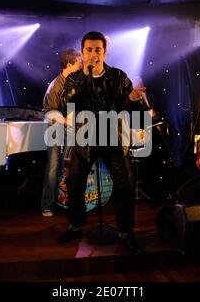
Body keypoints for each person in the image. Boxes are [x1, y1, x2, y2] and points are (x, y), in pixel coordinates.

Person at [57, 31, 147, 254]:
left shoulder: (117, 76)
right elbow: (66, 102)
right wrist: (85, 77)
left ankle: (126, 232)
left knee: (125, 184)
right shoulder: (75, 78)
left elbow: (130, 107)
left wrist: (132, 99)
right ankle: (76, 225)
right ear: (83, 52)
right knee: (75, 183)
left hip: (111, 137)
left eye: (98, 49)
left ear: (104, 52)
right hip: (84, 138)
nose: (93, 53)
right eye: (89, 49)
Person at [41, 48, 82, 217]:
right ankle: (47, 205)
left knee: (69, 167)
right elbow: (50, 113)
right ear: (70, 64)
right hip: (54, 129)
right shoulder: (56, 85)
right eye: (78, 62)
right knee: (53, 166)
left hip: (66, 129)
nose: (81, 65)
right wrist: (68, 121)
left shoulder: (72, 82)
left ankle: (66, 202)